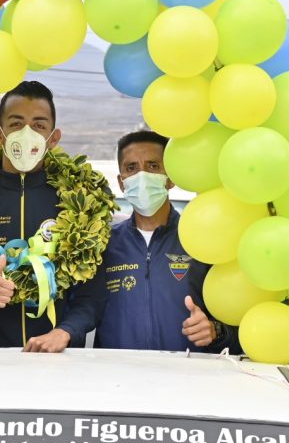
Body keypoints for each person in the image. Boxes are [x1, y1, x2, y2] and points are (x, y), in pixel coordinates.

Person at [0, 81, 112, 352]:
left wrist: (65, 331)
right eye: (16, 124)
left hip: (58, 358)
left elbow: (92, 293)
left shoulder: (80, 201)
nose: (27, 133)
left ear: (54, 137)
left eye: (38, 125)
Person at [89, 131, 240, 353]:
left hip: (187, 377)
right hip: (118, 378)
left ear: (169, 178)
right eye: (131, 168)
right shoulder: (103, 244)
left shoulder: (202, 240)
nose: (141, 176)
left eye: (152, 166)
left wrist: (216, 330)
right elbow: (82, 307)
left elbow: (239, 321)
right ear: (122, 183)